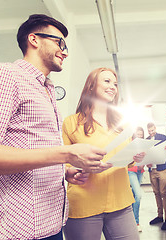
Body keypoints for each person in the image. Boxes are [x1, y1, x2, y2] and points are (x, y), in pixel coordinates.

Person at [0, 14, 111, 240]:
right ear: (34, 39)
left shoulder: (47, 90)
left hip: (51, 223)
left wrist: (64, 171)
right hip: (14, 231)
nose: (65, 51)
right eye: (59, 42)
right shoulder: (1, 76)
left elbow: (32, 150)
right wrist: (67, 153)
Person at [62, 67, 144, 240]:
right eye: (107, 81)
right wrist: (69, 171)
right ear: (91, 86)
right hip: (84, 204)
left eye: (115, 83)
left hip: (121, 203)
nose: (113, 86)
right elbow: (62, 161)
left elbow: (127, 160)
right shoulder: (71, 123)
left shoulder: (122, 124)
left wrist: (135, 157)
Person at [146, 122, 166, 231]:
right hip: (151, 170)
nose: (151, 132)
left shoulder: (163, 137)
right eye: (149, 131)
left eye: (152, 130)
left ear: (155, 128)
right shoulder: (147, 140)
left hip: (162, 169)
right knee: (156, 193)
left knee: (163, 193)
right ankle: (160, 216)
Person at [127, 126, 145, 232]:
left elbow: (145, 157)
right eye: (138, 135)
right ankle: (136, 222)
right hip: (131, 170)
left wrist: (144, 164)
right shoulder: (130, 143)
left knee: (134, 195)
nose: (140, 136)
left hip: (140, 171)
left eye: (141, 135)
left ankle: (132, 221)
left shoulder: (143, 144)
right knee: (138, 195)